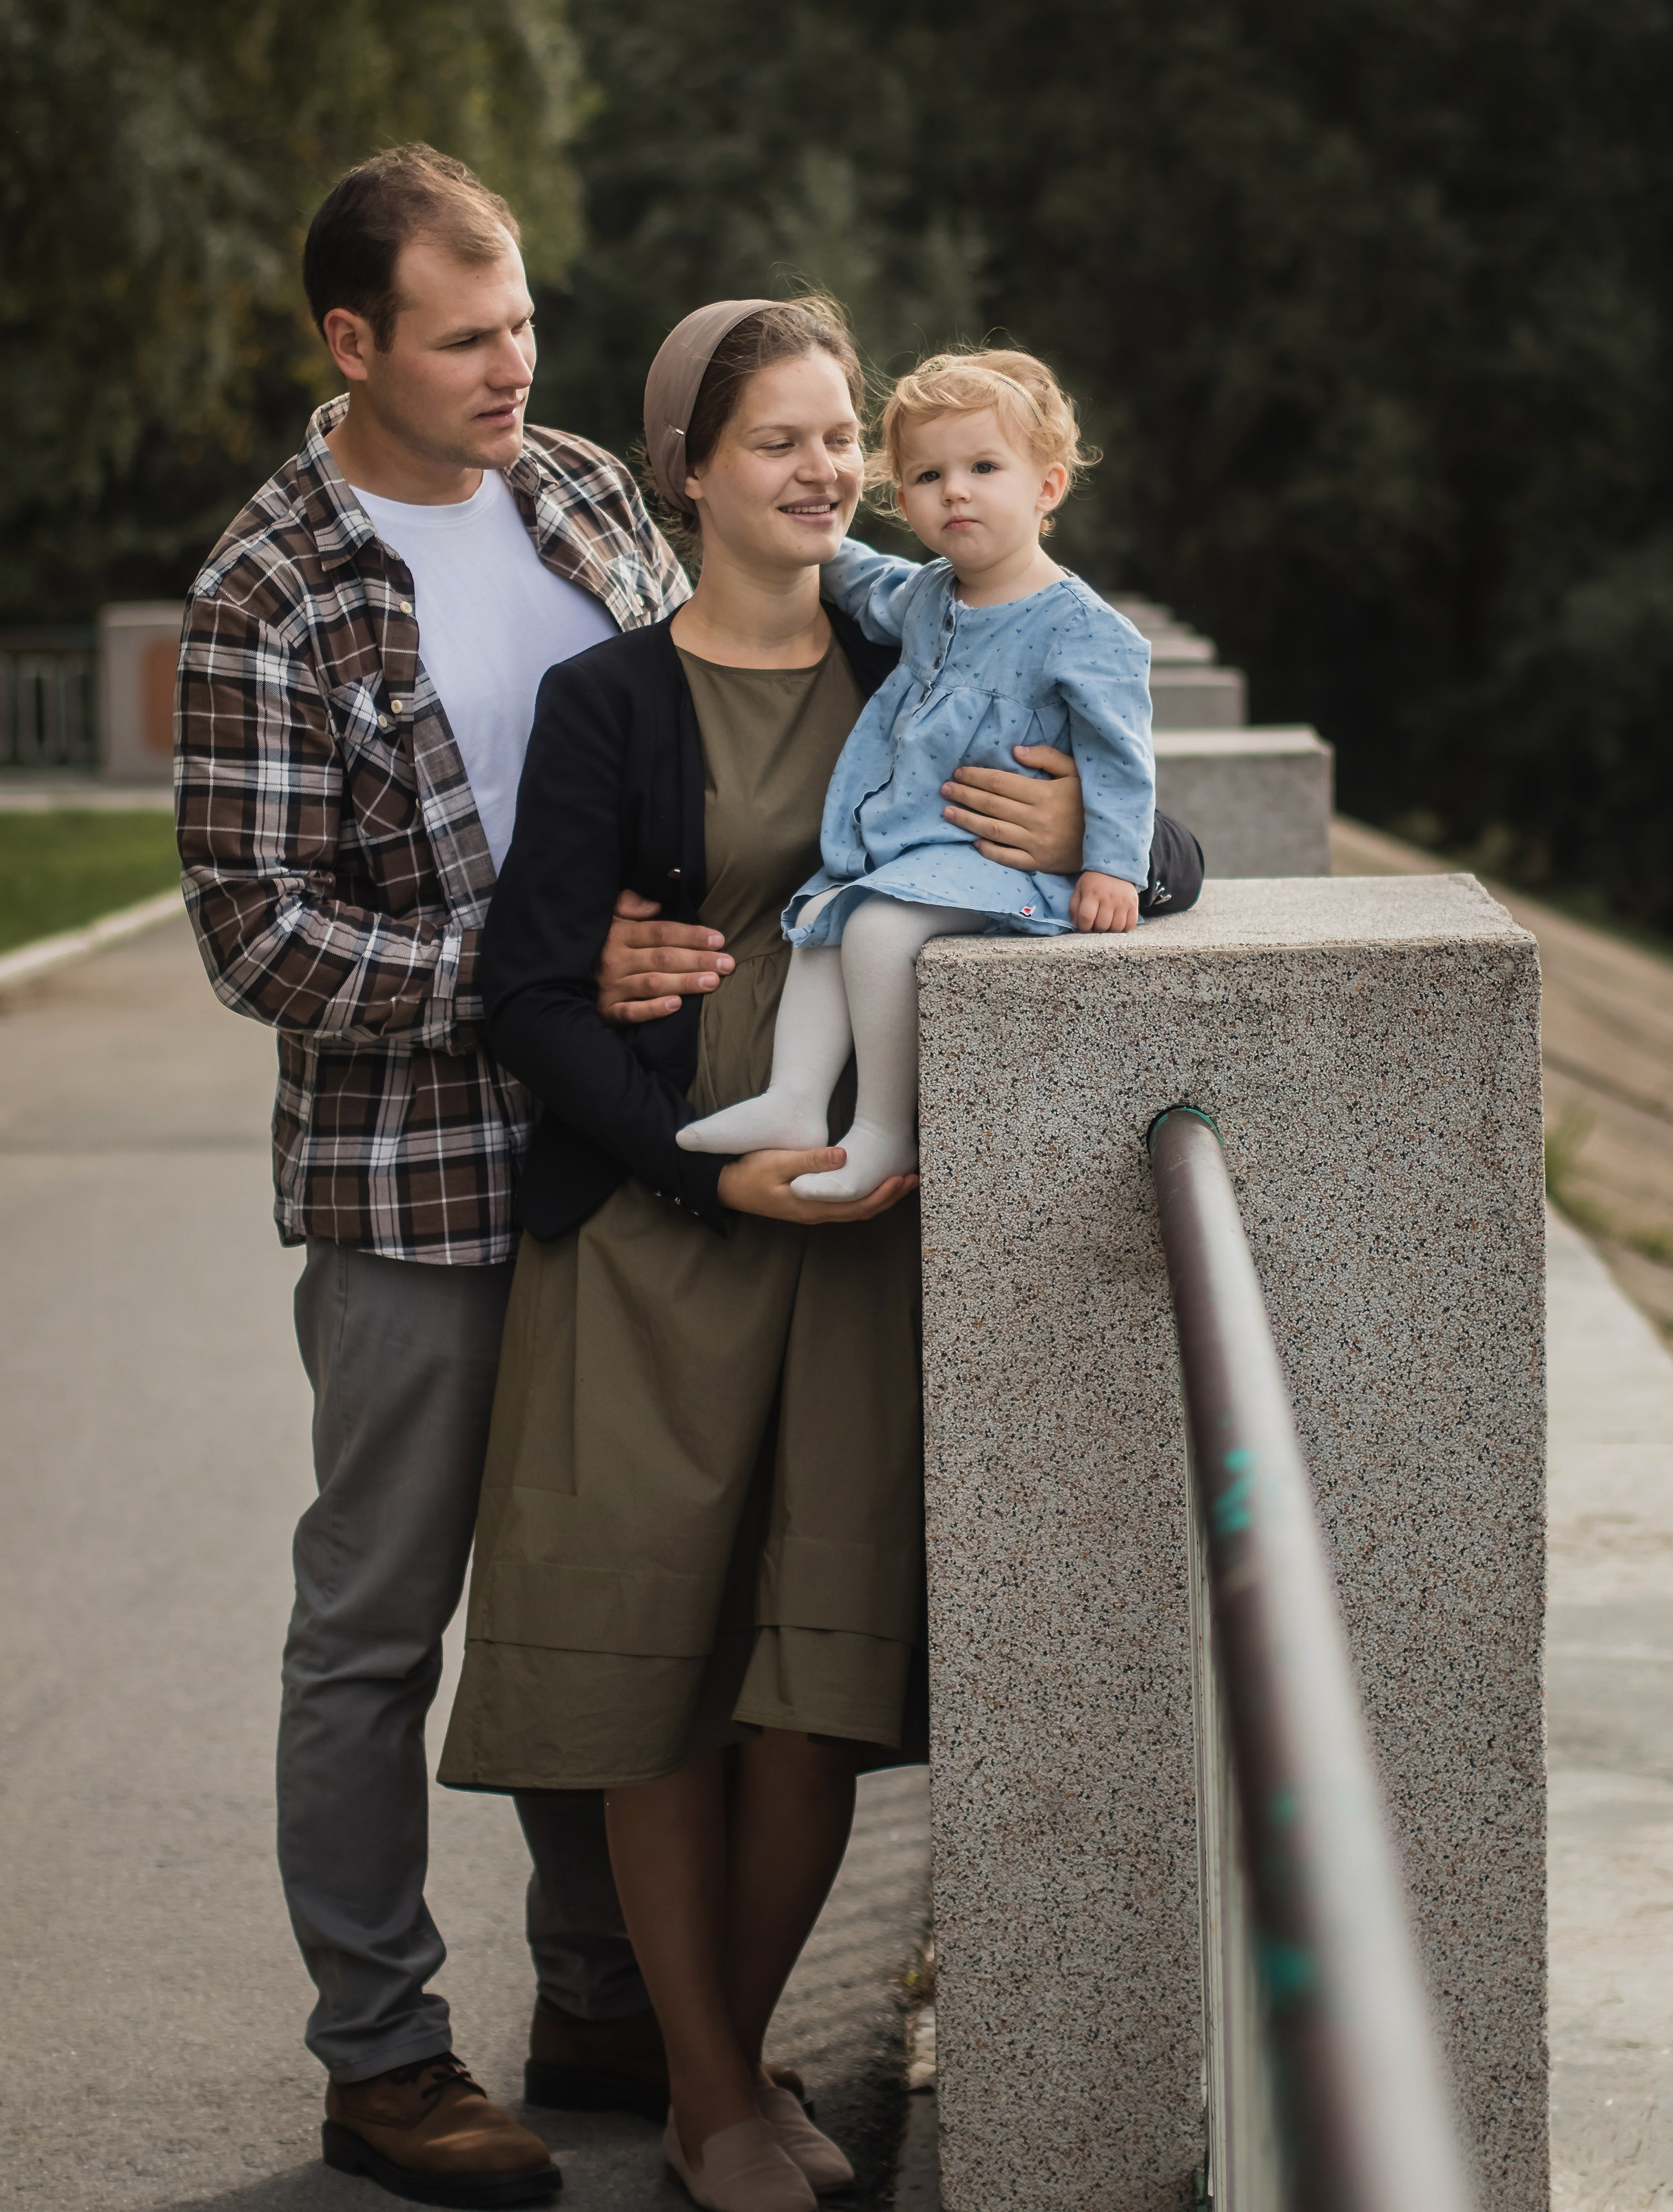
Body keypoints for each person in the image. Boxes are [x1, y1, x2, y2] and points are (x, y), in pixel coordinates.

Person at [175, 172, 1114, 2209]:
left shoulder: (584, 489)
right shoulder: (270, 586)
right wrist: (534, 970)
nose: (514, 366)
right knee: (385, 1616)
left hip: (637, 1161)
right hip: (425, 1174)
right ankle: (385, 2052)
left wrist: (1134, 839)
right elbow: (254, 933)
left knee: (630, 1604)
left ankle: (612, 1996)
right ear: (352, 347)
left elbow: (931, 612)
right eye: (461, 338)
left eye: (518, 322)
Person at [437, 298, 1203, 2212]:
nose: (822, 468)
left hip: (857, 1232)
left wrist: (1096, 838)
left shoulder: (917, 628)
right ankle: (709, 2094)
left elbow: (1142, 825)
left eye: (840, 433)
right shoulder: (609, 700)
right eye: (774, 438)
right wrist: (707, 1184)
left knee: (811, 1685)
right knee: (656, 1676)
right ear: (688, 470)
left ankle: (734, 2042)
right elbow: (525, 999)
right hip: (661, 1224)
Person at [678, 348, 1156, 1200]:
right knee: (825, 916)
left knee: (874, 930)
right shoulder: (935, 594)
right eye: (928, 475)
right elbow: (861, 579)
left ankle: (884, 1132)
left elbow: (1124, 757)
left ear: (1046, 488)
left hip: (998, 865)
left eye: (982, 467)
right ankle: (794, 1100)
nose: (955, 491)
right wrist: (798, 539)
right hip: (914, 855)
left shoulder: (1082, 628)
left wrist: (1111, 863)